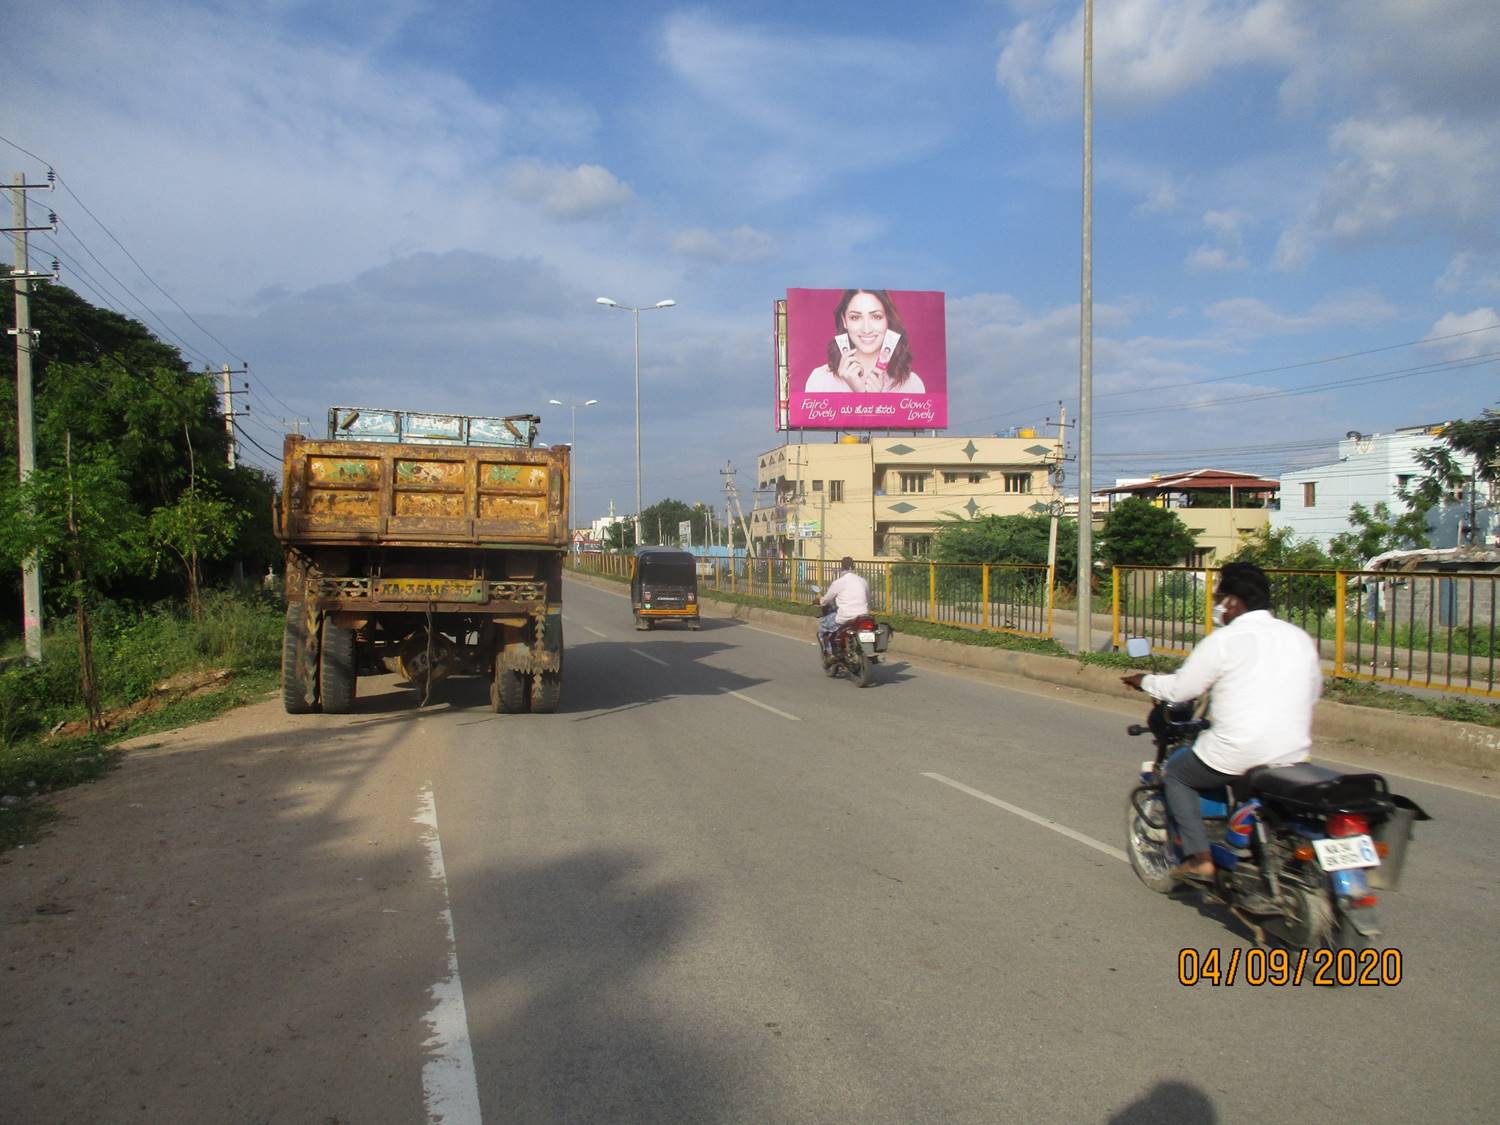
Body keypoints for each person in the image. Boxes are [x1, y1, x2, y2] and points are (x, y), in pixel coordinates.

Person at [1121, 562, 1323, 881]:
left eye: (1220, 599)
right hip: (1291, 753)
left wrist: (1144, 680)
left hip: (1237, 752)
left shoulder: (1225, 640)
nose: (1218, 607)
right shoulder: (1299, 637)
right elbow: (1312, 694)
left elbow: (1182, 689)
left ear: (1232, 602)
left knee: (1177, 775)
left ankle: (1199, 857)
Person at [803, 289, 926, 393]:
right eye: (855, 317)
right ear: (845, 321)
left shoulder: (912, 385)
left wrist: (874, 401)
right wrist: (860, 397)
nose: (866, 329)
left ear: (887, 321)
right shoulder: (820, 381)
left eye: (876, 317)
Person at [818, 556, 871, 656]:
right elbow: (868, 598)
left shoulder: (839, 582)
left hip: (846, 617)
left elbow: (826, 600)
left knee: (823, 626)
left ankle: (829, 654)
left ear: (842, 567)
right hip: (863, 616)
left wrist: (821, 601)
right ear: (854, 567)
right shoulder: (863, 581)